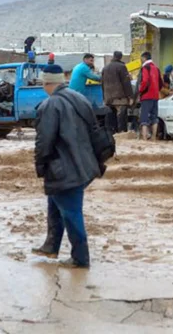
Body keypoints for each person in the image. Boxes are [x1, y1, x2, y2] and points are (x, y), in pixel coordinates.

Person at [32, 64, 102, 268]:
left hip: (64, 167)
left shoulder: (50, 105)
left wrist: (40, 165)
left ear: (46, 83)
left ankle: (80, 258)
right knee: (55, 204)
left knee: (71, 213)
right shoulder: (78, 98)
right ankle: (51, 246)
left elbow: (43, 142)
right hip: (84, 164)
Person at [101, 51, 133, 133]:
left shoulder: (105, 68)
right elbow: (126, 83)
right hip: (119, 97)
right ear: (120, 57)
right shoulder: (122, 67)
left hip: (108, 97)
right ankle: (122, 134)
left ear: (113, 56)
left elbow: (102, 83)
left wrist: (104, 97)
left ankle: (111, 134)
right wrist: (130, 96)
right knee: (121, 117)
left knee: (110, 117)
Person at [136, 51, 162, 140]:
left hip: (146, 96)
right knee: (154, 117)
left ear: (144, 58)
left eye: (141, 59)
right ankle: (154, 137)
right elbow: (160, 83)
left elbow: (145, 81)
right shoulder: (156, 68)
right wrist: (156, 91)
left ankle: (144, 138)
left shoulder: (145, 68)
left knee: (144, 118)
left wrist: (140, 90)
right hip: (155, 96)